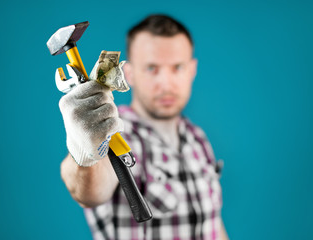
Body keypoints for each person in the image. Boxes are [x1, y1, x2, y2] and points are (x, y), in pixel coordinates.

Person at [59, 14, 228, 240]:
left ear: (192, 69)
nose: (166, 83)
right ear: (128, 73)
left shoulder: (198, 138)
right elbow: (88, 193)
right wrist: (85, 155)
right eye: (151, 68)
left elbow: (212, 223)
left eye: (177, 67)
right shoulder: (112, 131)